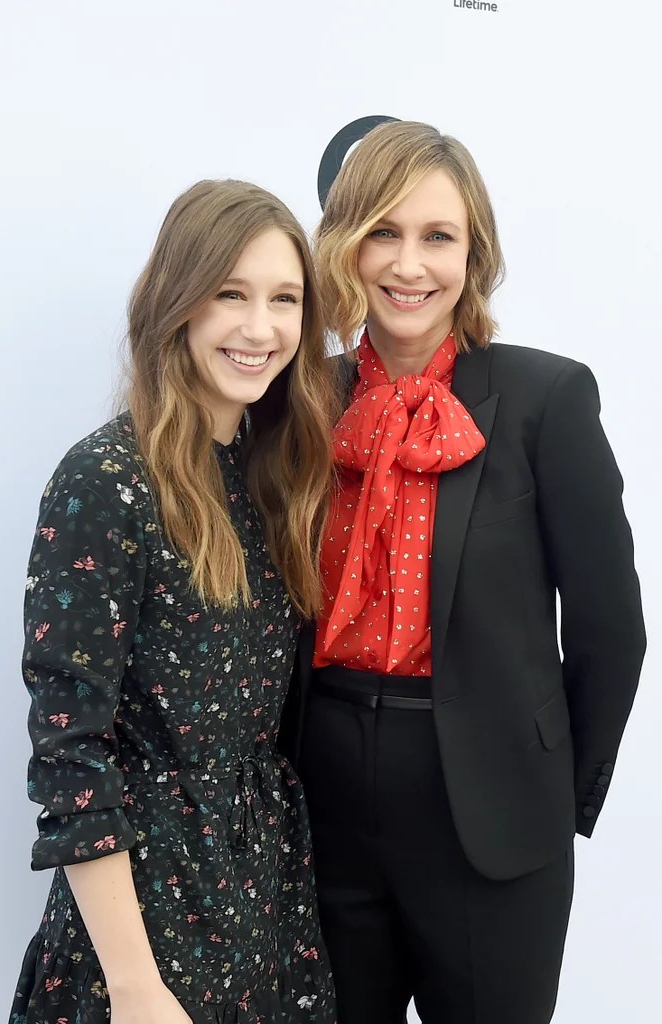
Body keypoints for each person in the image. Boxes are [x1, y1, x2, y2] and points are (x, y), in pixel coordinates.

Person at [283, 121, 646, 1024]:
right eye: (383, 232)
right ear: (344, 246)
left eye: (437, 237)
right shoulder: (296, 401)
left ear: (472, 252)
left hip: (490, 812)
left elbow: (609, 627)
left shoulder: (546, 398)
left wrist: (549, 791)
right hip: (320, 799)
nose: (409, 265)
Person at [10, 179, 338, 1024]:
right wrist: (134, 986)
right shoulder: (106, 482)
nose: (259, 327)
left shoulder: (268, 480)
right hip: (146, 919)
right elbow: (71, 755)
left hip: (260, 893)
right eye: (230, 293)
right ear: (177, 303)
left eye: (284, 299)